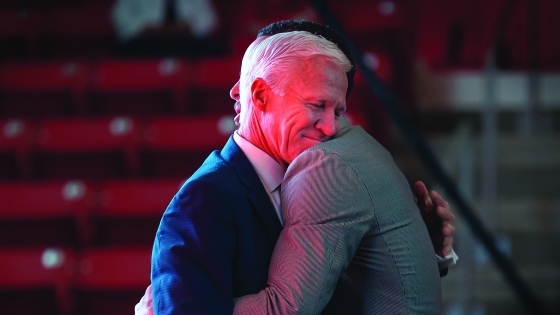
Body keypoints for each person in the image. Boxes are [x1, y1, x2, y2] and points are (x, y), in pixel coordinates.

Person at [141, 22, 456, 315]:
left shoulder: (326, 181)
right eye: (317, 105)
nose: (331, 128)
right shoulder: (201, 204)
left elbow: (354, 290)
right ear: (260, 95)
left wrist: (418, 248)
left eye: (339, 111)